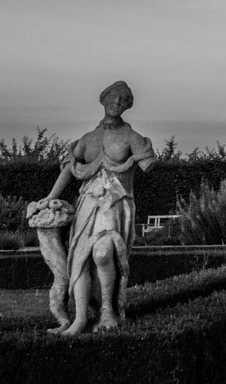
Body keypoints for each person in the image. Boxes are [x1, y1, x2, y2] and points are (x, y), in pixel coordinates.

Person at [42, 81, 156, 335]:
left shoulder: (132, 138)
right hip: (88, 205)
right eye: (114, 98)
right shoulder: (88, 139)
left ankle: (107, 310)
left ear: (128, 105)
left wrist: (144, 155)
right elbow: (68, 170)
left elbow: (148, 163)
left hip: (115, 205)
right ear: (103, 100)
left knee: (103, 253)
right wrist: (49, 197)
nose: (118, 103)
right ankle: (80, 319)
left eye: (124, 99)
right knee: (80, 260)